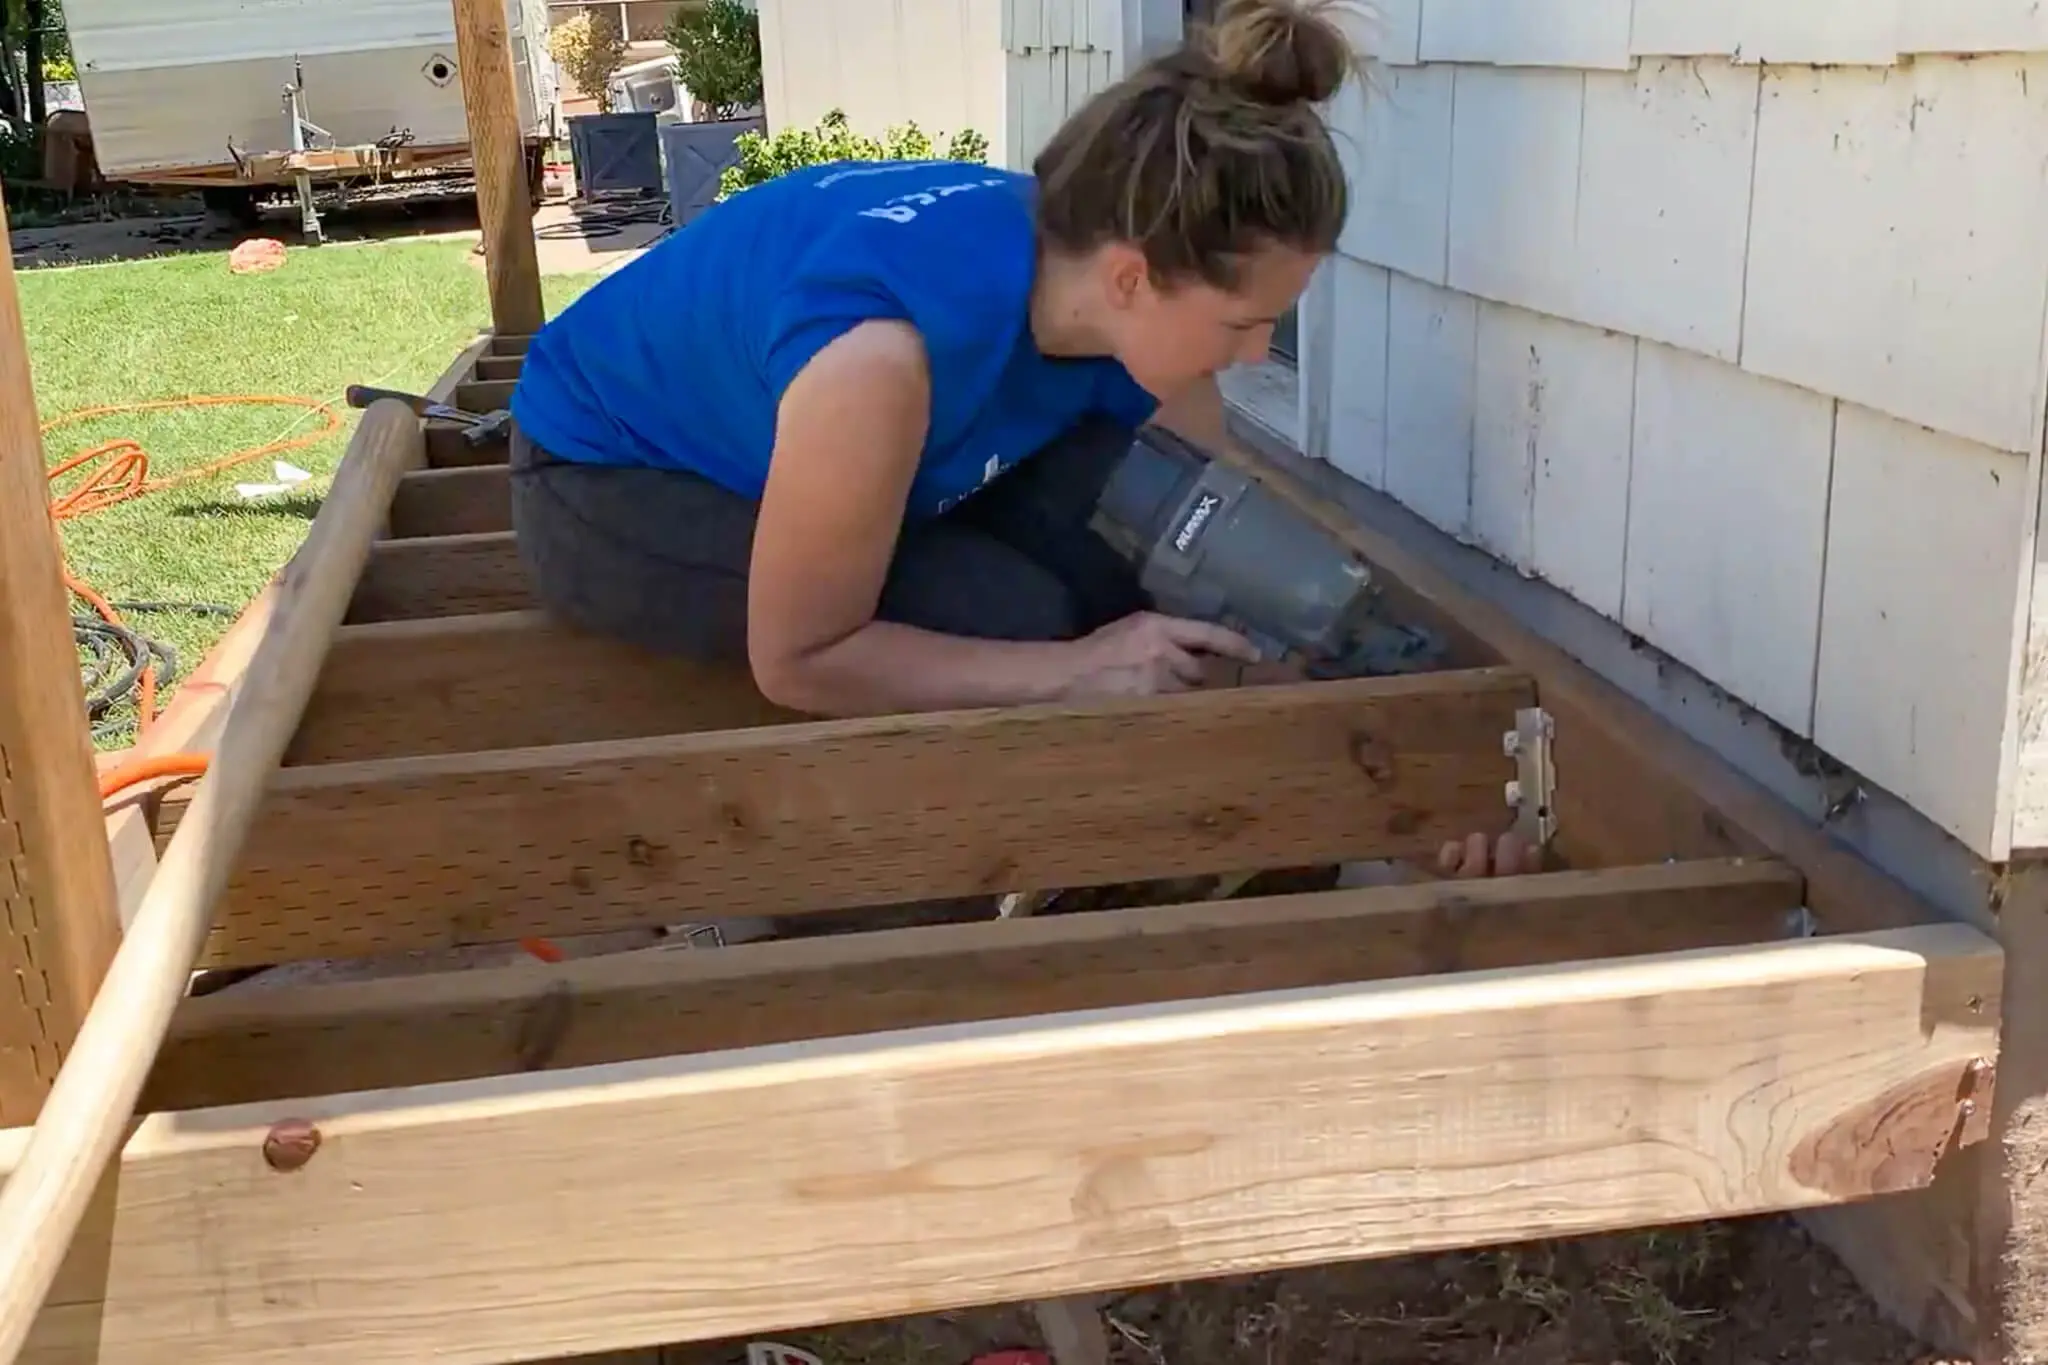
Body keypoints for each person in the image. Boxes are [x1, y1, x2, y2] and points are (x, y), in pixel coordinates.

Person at [506, 0, 1535, 879]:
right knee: (1017, 622)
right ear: (1132, 279)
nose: (1256, 350)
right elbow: (801, 657)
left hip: (841, 440)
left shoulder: (1092, 276)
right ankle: (886, 905)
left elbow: (1222, 577)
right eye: (1240, 325)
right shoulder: (881, 362)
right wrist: (1069, 672)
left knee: (1130, 562)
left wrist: (1416, 769)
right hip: (609, 477)